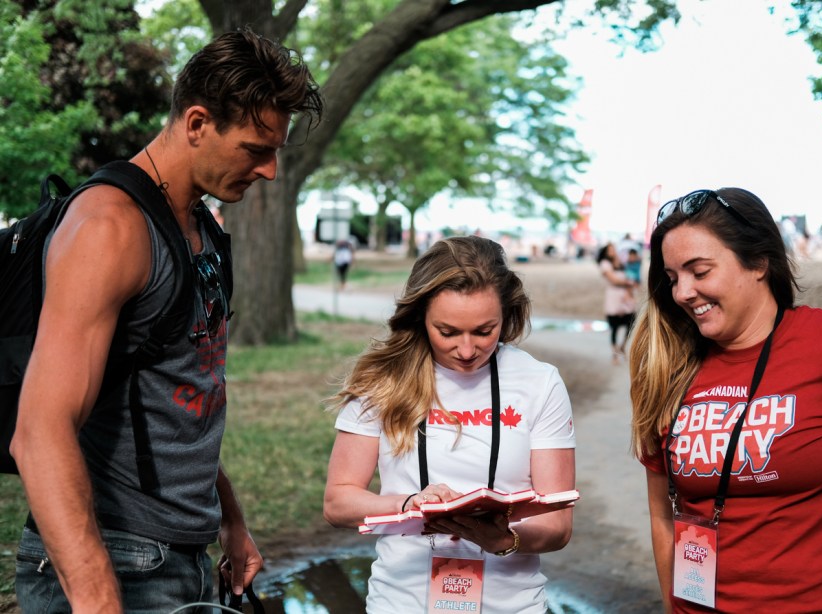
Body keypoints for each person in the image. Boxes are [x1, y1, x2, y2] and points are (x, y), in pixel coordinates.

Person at [10, 28, 323, 612]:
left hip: (186, 553)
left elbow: (184, 393)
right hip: (115, 561)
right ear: (198, 123)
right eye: (256, 149)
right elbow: (40, 429)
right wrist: (98, 596)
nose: (271, 171)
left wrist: (229, 517)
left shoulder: (202, 228)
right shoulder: (110, 228)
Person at [628, 188, 822, 613]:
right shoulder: (669, 367)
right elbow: (661, 514)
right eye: (673, 278)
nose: (682, 293)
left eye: (700, 271)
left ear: (759, 262)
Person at [323, 235, 576, 613]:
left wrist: (505, 539)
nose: (467, 349)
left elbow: (557, 524)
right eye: (448, 332)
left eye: (484, 330)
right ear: (420, 316)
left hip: (512, 604)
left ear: (506, 314)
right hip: (400, 601)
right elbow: (338, 500)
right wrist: (409, 503)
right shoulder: (384, 380)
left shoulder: (539, 382)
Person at [597, 242, 638, 363]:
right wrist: (629, 283)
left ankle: (622, 347)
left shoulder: (620, 262)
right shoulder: (604, 264)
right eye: (610, 250)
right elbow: (613, 280)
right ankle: (615, 354)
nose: (612, 252)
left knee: (631, 322)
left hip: (625, 295)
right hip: (614, 296)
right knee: (614, 326)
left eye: (613, 249)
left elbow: (630, 273)